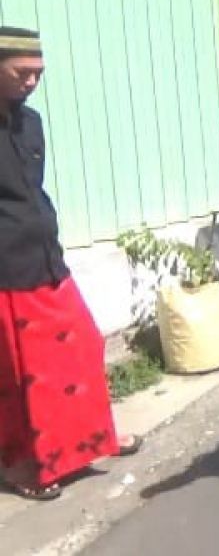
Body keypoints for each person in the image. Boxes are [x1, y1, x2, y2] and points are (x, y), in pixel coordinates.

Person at [0, 27, 142, 501]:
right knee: (21, 375)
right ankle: (25, 467)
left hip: (46, 260)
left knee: (81, 345)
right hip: (7, 271)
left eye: (38, 74)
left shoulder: (31, 123)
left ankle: (93, 440)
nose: (31, 83)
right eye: (22, 73)